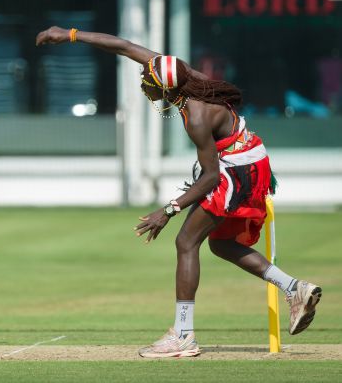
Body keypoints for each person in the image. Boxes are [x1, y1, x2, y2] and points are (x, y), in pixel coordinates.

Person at [36, 26, 322, 358]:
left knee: (186, 241)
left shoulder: (196, 116)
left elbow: (212, 177)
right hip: (249, 158)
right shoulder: (179, 72)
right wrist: (69, 35)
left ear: (165, 89)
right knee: (221, 244)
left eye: (149, 83)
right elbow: (124, 46)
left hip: (235, 171)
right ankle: (294, 288)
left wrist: (167, 210)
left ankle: (183, 336)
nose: (144, 82)